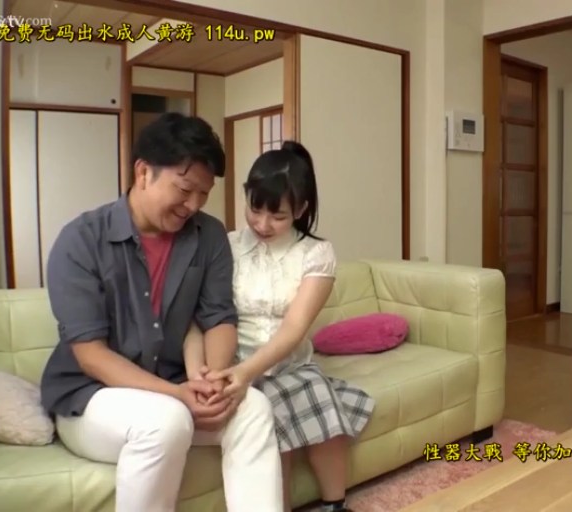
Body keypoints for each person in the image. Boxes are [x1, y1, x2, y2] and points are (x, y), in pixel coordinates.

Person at [39, 112, 283, 512]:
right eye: (185, 189)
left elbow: (218, 317)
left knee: (253, 407)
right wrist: (177, 395)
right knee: (166, 420)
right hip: (91, 399)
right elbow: (91, 355)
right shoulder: (81, 240)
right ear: (143, 172)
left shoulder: (209, 235)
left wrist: (211, 382)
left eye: (204, 194)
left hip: (176, 388)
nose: (193, 204)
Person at [185, 141, 374, 512]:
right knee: (266, 417)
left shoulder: (316, 253)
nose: (262, 224)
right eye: (254, 209)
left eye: (278, 216)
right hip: (231, 363)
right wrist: (215, 371)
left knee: (313, 394)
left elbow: (294, 329)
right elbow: (202, 315)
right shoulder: (227, 245)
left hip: (288, 365)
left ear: (300, 210)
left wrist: (247, 373)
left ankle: (335, 505)